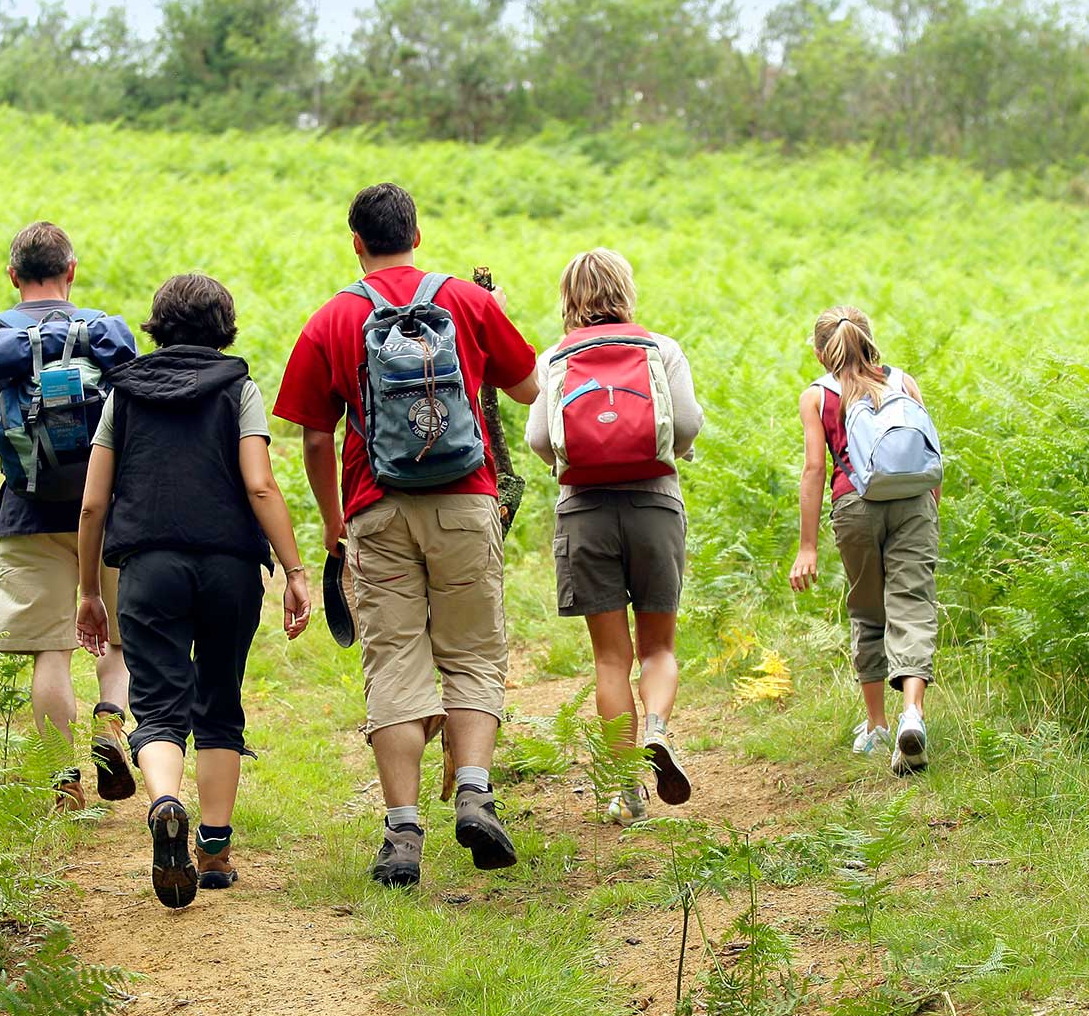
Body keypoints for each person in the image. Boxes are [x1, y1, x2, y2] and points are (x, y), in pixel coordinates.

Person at [273, 182, 539, 888]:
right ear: (416, 233)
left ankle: (402, 831)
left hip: (376, 509)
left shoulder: (334, 316)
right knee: (474, 652)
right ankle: (476, 791)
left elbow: (312, 437)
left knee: (394, 664)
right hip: (466, 501)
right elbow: (529, 388)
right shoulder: (466, 301)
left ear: (355, 242)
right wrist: (490, 326)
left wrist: (336, 525)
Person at [75, 274, 313, 908]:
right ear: (223, 327)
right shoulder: (239, 388)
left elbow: (94, 502)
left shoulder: (122, 396)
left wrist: (87, 590)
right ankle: (214, 848)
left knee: (156, 705)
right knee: (218, 699)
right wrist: (294, 571)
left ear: (158, 326)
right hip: (229, 567)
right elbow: (260, 485)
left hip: (147, 566)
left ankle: (165, 804)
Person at [0, 221, 136, 809]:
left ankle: (65, 784)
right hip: (108, 513)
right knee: (119, 643)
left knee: (52, 651)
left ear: (12, 276)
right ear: (71, 271)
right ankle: (110, 720)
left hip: (28, 513)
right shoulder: (105, 335)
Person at [524, 248, 705, 822]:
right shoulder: (661, 349)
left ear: (568, 299)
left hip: (585, 513)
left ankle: (626, 788)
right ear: (626, 290)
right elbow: (687, 424)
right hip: (656, 505)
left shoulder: (555, 357)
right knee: (658, 647)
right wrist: (668, 452)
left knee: (609, 658)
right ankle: (657, 727)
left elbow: (538, 440)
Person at [788, 306, 938, 774]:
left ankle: (876, 727)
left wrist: (807, 546)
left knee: (869, 609)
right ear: (871, 340)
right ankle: (912, 714)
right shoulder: (904, 382)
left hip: (855, 505)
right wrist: (931, 508)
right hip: (914, 501)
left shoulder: (817, 396)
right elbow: (931, 451)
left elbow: (815, 469)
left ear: (819, 353)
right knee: (913, 604)